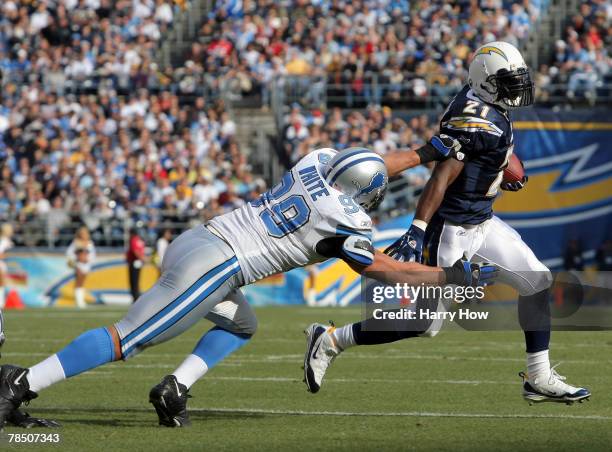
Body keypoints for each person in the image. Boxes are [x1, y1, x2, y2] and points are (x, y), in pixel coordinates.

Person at [0, 143, 497, 428]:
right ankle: (21, 382)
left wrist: (421, 152)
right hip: (218, 266)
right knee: (129, 337)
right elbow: (382, 269)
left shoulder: (314, 161)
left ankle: (174, 388)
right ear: (362, 196)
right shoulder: (345, 218)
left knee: (242, 324)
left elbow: (365, 163)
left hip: (198, 237)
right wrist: (450, 275)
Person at [303, 42, 590, 405]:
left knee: (537, 280)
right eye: (508, 81)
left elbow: (487, 147)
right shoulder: (473, 120)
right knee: (423, 324)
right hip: (451, 231)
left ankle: (539, 376)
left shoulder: (486, 105)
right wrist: (418, 228)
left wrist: (500, 168)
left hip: (482, 222)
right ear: (486, 82)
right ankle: (330, 340)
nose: (517, 87)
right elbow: (439, 179)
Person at [66, 226, 96, 309]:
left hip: (86, 265)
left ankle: (81, 300)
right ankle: (79, 301)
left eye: (85, 233)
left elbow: (93, 254)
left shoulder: (90, 243)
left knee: (82, 283)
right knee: (78, 282)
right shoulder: (76, 242)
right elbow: (69, 253)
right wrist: (77, 259)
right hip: (78, 264)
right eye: (82, 233)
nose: (84, 235)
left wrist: (87, 259)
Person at [126, 228, 146, 303]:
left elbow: (135, 251)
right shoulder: (140, 240)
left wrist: (141, 258)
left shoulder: (133, 239)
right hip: (138, 262)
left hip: (134, 262)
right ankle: (136, 297)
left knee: (133, 281)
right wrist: (143, 259)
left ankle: (135, 298)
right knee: (136, 281)